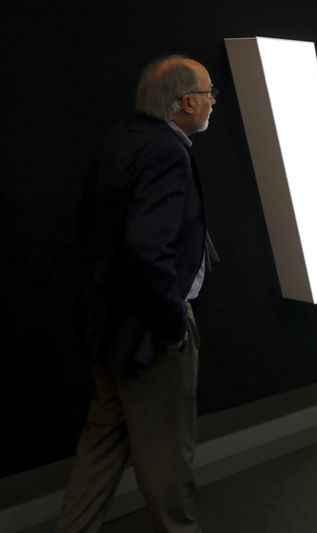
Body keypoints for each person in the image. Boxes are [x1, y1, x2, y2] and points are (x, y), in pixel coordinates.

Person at [55, 55, 217, 533]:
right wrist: (170, 326)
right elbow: (148, 249)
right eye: (210, 95)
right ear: (187, 102)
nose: (213, 104)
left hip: (106, 328)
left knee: (102, 444)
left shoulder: (123, 138)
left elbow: (93, 232)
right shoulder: (168, 152)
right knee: (169, 456)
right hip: (150, 334)